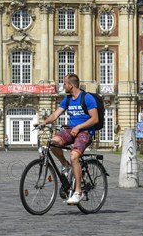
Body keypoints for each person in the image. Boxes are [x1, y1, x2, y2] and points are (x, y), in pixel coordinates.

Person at [35, 73, 98, 205]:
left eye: (64, 84)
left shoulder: (87, 98)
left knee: (74, 155)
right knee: (52, 143)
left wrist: (79, 127)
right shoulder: (67, 100)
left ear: (71, 85)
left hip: (85, 132)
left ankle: (78, 192)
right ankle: (65, 165)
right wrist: (44, 123)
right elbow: (55, 114)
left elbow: (95, 119)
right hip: (71, 130)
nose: (63, 86)